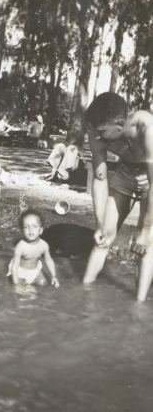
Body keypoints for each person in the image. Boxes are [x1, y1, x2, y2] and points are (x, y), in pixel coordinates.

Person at [82, 92, 153, 302]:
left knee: (144, 245)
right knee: (103, 238)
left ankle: (137, 307)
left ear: (120, 124)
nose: (96, 137)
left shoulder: (147, 128)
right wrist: (100, 223)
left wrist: (145, 230)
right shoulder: (96, 133)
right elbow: (100, 178)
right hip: (126, 173)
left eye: (102, 132)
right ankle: (83, 296)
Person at [7, 209, 60, 287]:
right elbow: (15, 266)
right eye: (26, 227)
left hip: (34, 270)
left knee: (43, 283)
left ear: (41, 230)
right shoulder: (21, 246)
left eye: (34, 226)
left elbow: (48, 260)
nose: (30, 230)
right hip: (19, 270)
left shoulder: (44, 245)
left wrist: (54, 276)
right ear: (22, 231)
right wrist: (16, 282)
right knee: (23, 290)